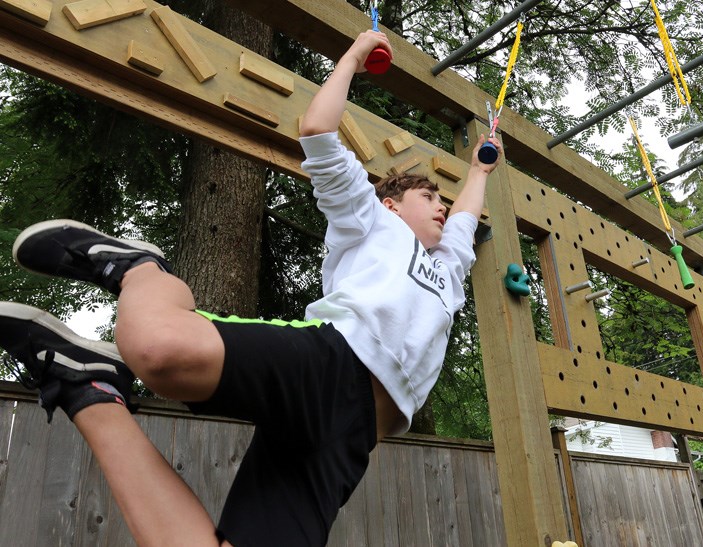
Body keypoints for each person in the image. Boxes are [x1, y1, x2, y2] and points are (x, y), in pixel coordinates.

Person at [0, 31, 502, 546]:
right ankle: (140, 269)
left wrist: (481, 168)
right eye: (428, 194)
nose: (442, 204)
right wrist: (354, 56)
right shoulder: (371, 219)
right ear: (393, 204)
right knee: (157, 348)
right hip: (330, 364)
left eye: (444, 198)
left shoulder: (449, 267)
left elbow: (466, 216)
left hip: (355, 437)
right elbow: (318, 128)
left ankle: (88, 389)